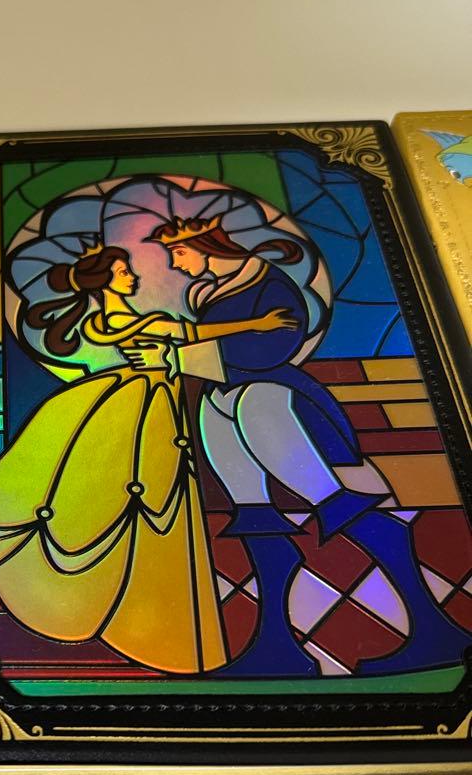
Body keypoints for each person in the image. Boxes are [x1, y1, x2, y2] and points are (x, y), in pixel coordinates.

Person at [138, 214, 470, 675]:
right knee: (256, 518)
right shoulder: (207, 292)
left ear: (207, 245)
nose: (176, 265)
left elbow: (273, 348)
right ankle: (275, 647)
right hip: (219, 398)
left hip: (269, 401)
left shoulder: (267, 283)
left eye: (179, 253)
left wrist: (179, 357)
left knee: (335, 503)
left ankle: (435, 632)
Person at [0, 244, 295, 675]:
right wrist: (258, 323)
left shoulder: (101, 321)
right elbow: (192, 334)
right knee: (150, 491)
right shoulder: (137, 320)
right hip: (144, 401)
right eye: (121, 271)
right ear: (104, 282)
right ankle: (165, 614)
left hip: (140, 394)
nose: (131, 276)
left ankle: (162, 608)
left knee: (141, 493)